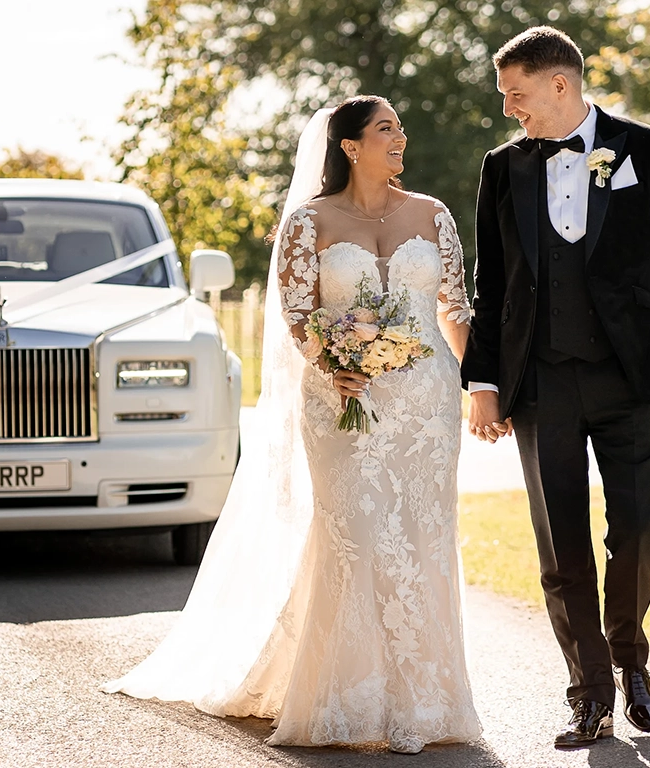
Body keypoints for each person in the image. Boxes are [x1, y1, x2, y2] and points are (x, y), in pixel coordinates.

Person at [104, 95, 481, 754]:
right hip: (342, 401)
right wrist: (332, 361)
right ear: (350, 146)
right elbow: (298, 312)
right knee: (358, 535)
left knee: (423, 540)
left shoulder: (434, 215)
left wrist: (482, 387)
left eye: (400, 128)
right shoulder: (310, 222)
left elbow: (455, 306)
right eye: (386, 129)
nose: (401, 138)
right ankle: (347, 701)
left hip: (427, 408)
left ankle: (424, 703)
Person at [461, 27, 650, 749]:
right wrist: (484, 380)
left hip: (630, 379)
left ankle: (632, 664)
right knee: (559, 549)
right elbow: (493, 282)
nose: (511, 111)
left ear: (558, 84)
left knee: (635, 532)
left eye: (516, 95)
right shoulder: (501, 167)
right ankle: (589, 692)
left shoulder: (647, 149)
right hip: (540, 385)